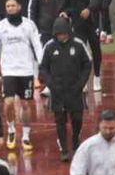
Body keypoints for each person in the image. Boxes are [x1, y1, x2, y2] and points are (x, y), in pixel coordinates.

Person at [0, 0, 45, 153]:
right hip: (8, 70)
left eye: (13, 5)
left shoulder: (29, 25)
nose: (10, 8)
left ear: (19, 7)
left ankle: (26, 135)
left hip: (26, 70)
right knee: (8, 103)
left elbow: (37, 45)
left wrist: (42, 65)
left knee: (26, 104)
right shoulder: (0, 27)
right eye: (7, 6)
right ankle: (11, 129)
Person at [38, 17, 92, 162]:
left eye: (63, 33)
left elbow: (87, 64)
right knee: (60, 120)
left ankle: (75, 139)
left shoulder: (78, 44)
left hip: (75, 89)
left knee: (77, 118)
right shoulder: (49, 46)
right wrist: (50, 83)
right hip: (57, 91)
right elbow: (42, 67)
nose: (61, 36)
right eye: (58, 34)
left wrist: (81, 83)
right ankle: (63, 148)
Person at [60, 0, 105, 92]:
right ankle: (82, 80)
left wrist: (89, 9)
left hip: (92, 19)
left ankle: (97, 76)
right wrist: (66, 12)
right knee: (79, 49)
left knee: (95, 48)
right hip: (77, 19)